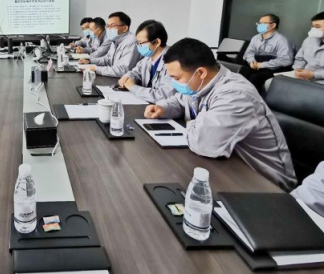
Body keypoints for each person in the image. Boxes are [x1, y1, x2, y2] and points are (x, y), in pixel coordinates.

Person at [143, 38, 296, 191]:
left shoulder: (235, 95)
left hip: (266, 183)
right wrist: (162, 107)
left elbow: (203, 142)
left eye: (176, 78)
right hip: (227, 165)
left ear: (201, 72)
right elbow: (180, 101)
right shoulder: (199, 83)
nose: (173, 83)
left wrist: (193, 124)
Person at [118, 20, 175, 103]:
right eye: (138, 43)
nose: (139, 46)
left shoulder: (173, 62)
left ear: (157, 42)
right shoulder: (148, 57)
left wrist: (133, 87)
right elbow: (135, 72)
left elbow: (163, 95)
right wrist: (127, 78)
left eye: (141, 43)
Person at [240, 14, 294, 92]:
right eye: (259, 23)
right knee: (241, 73)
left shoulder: (282, 40)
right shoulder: (256, 38)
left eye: (263, 23)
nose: (259, 25)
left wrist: (261, 65)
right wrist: (252, 61)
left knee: (255, 78)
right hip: (255, 66)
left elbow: (286, 60)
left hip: (273, 69)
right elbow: (249, 52)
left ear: (273, 25)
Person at [78, 11, 141, 78]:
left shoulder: (131, 42)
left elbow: (122, 70)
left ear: (125, 28)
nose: (109, 29)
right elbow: (107, 59)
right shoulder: (115, 40)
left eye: (112, 26)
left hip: (125, 80)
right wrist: (89, 61)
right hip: (115, 77)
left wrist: (96, 69)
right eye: (108, 26)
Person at [292, 11, 324, 84]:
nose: (314, 29)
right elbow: (300, 58)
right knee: (270, 83)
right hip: (303, 77)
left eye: (317, 27)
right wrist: (298, 69)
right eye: (313, 26)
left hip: (321, 81)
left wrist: (313, 75)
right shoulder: (309, 40)